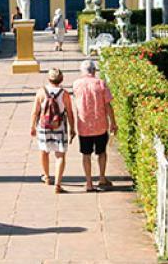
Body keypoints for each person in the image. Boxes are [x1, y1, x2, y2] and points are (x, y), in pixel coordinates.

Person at [72, 60, 118, 192]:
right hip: (100, 124)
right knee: (102, 152)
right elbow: (108, 105)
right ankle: (102, 177)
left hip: (84, 124)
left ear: (82, 71)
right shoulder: (101, 83)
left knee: (86, 154)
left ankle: (88, 182)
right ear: (94, 70)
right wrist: (113, 122)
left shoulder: (76, 84)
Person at [30, 68, 76, 194]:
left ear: (48, 79)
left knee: (44, 151)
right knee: (60, 155)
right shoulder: (64, 93)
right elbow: (70, 112)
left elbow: (35, 112)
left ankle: (46, 177)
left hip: (44, 127)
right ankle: (58, 184)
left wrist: (32, 127)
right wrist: (73, 128)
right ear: (61, 79)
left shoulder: (41, 92)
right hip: (59, 127)